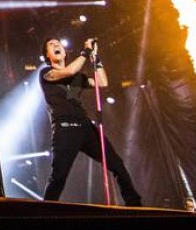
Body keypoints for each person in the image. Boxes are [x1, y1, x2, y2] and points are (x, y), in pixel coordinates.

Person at [39, 38, 142, 206]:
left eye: (59, 44)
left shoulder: (77, 77)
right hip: (65, 129)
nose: (57, 45)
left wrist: (96, 58)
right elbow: (69, 71)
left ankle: (135, 204)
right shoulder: (45, 72)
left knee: (116, 164)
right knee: (59, 175)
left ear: (65, 52)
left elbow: (102, 82)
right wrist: (85, 52)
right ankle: (45, 211)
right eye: (51, 44)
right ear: (47, 55)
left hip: (85, 127)